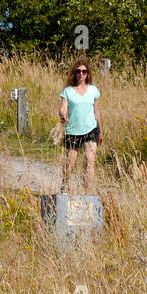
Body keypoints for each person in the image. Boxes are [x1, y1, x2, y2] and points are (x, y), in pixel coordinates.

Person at [59, 60, 102, 195]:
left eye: (84, 71)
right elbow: (62, 108)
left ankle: (86, 194)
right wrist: (63, 115)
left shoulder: (93, 90)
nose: (81, 74)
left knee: (89, 161)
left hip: (91, 129)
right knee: (70, 163)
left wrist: (100, 131)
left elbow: (97, 112)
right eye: (78, 71)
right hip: (73, 130)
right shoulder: (67, 91)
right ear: (75, 73)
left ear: (87, 73)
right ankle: (64, 187)